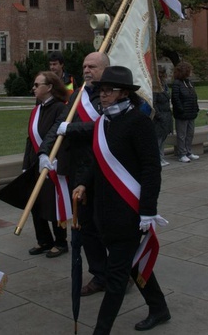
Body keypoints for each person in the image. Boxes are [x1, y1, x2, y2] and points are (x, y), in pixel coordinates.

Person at [73, 66, 170, 334]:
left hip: (129, 212)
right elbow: (97, 160)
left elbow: (152, 169)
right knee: (132, 263)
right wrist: (83, 182)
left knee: (116, 275)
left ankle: (101, 330)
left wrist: (148, 210)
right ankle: (159, 308)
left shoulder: (139, 123)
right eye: (101, 91)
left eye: (108, 91)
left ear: (124, 93)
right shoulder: (104, 122)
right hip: (104, 211)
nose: (102, 96)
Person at [39, 52, 109, 296]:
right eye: (84, 66)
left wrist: (73, 128)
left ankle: (125, 273)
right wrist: (44, 153)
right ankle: (100, 275)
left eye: (92, 66)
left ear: (105, 69)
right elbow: (58, 125)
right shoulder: (78, 95)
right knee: (86, 227)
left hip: (109, 171)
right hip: (80, 173)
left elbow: (108, 125)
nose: (87, 70)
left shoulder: (113, 93)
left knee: (110, 227)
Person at [24, 71, 70, 258]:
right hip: (36, 163)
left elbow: (60, 136)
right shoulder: (37, 109)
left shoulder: (60, 108)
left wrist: (57, 159)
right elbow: (30, 139)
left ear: (49, 87)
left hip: (52, 164)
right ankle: (43, 240)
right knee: (35, 203)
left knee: (53, 204)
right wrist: (26, 164)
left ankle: (60, 242)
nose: (33, 88)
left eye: (37, 85)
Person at [171, 62, 200, 163]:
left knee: (190, 133)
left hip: (191, 113)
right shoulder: (177, 83)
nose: (191, 72)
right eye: (190, 70)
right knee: (182, 135)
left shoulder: (189, 83)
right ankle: (181, 154)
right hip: (182, 114)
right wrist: (181, 110)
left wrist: (196, 108)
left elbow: (194, 96)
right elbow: (175, 98)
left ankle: (188, 151)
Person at [153, 68, 173, 167]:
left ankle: (162, 157)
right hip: (159, 117)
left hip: (166, 115)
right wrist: (159, 115)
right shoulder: (155, 87)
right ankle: (158, 159)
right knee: (158, 139)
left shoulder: (164, 85)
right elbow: (154, 103)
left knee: (163, 139)